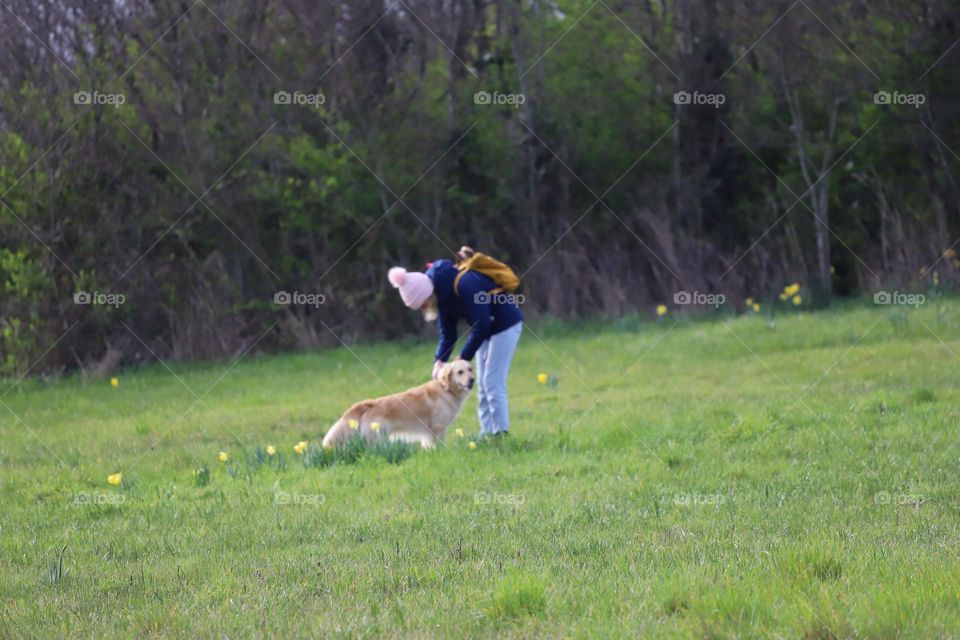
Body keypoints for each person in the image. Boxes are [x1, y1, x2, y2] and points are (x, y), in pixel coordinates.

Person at [387, 248, 523, 439]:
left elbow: (482, 323)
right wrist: (439, 360)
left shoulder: (465, 284)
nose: (424, 309)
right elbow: (448, 334)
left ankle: (501, 434)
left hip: (505, 326)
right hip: (486, 330)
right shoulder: (442, 297)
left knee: (492, 383)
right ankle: (487, 433)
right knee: (482, 386)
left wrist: (462, 358)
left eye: (423, 304)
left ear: (427, 294)